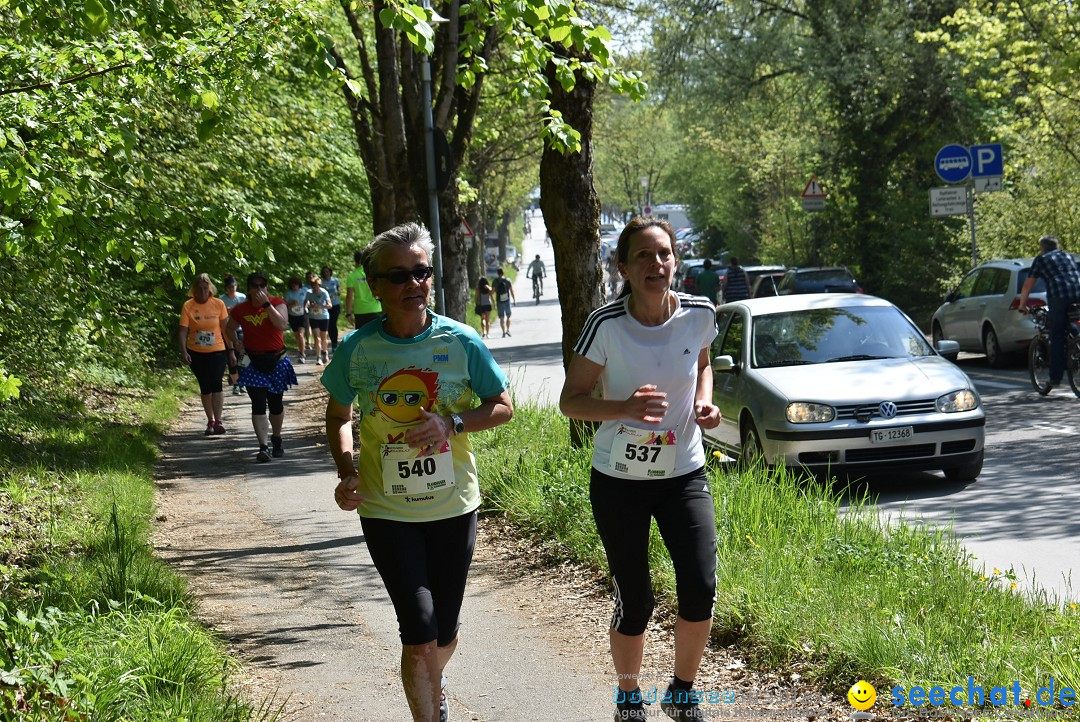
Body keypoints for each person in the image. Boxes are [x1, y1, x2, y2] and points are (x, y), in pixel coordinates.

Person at [323, 222, 513, 722]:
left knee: (444, 632)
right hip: (386, 511)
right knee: (420, 629)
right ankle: (429, 711)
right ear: (377, 286)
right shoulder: (357, 350)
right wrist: (347, 469)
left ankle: (433, 677)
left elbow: (502, 406)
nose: (413, 284)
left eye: (421, 272)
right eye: (400, 275)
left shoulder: (461, 340)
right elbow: (339, 416)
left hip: (454, 504)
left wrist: (451, 422)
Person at [559, 216, 721, 722]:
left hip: (684, 473)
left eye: (664, 254)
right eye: (644, 256)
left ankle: (681, 691)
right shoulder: (606, 325)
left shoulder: (699, 314)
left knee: (699, 586)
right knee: (637, 600)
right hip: (619, 480)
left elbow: (702, 364)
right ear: (624, 268)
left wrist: (703, 403)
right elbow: (571, 402)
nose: (657, 264)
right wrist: (625, 409)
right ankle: (629, 698)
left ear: (676, 260)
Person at [227, 272, 297, 462]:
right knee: (257, 404)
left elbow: (282, 324)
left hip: (277, 360)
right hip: (253, 361)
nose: (259, 289)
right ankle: (263, 446)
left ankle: (277, 438)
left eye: (262, 286)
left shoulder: (277, 302)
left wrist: (267, 305)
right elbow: (229, 328)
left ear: (267, 288)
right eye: (255, 286)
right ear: (248, 289)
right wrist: (236, 343)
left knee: (275, 404)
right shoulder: (241, 309)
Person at [1018, 234, 1080, 392]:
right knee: (1072, 325)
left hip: (1059, 296)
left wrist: (1023, 304)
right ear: (1057, 246)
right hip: (1078, 294)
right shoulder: (1068, 256)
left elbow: (1027, 285)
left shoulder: (1042, 259)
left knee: (1057, 334)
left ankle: (1055, 378)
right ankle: (1076, 342)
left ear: (1042, 248)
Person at [178, 273, 233, 436]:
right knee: (205, 386)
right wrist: (183, 351)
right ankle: (210, 420)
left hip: (217, 350)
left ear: (210, 289)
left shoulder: (218, 304)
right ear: (194, 290)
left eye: (205, 288)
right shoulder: (188, 305)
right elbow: (183, 331)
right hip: (196, 352)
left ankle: (219, 421)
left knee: (217, 383)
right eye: (199, 289)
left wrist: (231, 351)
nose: (202, 291)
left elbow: (225, 328)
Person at [219, 274, 248, 395]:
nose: (232, 289)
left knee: (244, 355)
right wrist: (227, 311)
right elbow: (219, 315)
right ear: (226, 289)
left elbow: (247, 311)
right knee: (231, 357)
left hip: (241, 329)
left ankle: (243, 382)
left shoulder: (242, 297)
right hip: (227, 330)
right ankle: (236, 384)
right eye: (229, 287)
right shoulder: (221, 299)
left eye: (234, 286)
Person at [345, 248, 383, 328]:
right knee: (377, 337)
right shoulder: (374, 273)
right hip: (376, 309)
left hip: (360, 311)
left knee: (362, 338)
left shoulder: (352, 276)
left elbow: (349, 297)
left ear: (355, 260)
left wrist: (348, 313)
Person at [307, 275, 332, 365]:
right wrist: (309, 306)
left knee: (323, 337)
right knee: (317, 338)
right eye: (313, 285)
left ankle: (325, 352)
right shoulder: (309, 293)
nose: (315, 287)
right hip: (313, 317)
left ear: (319, 285)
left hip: (324, 317)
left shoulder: (324, 292)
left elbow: (330, 305)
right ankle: (318, 358)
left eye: (317, 285)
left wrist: (320, 306)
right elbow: (306, 303)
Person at [284, 276, 308, 363]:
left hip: (302, 315)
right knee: (297, 335)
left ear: (299, 285)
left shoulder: (304, 291)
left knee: (301, 334)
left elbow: (307, 299)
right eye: (293, 285)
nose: (295, 287)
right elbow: (285, 304)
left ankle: (302, 353)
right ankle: (300, 349)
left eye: (296, 285)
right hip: (292, 315)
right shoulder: (288, 293)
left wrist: (305, 306)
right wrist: (291, 304)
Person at [321, 265, 342, 355]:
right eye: (324, 272)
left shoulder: (335, 280)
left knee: (333, 323)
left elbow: (339, 290)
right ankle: (331, 343)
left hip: (335, 305)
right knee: (329, 325)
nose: (326, 273)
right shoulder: (321, 282)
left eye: (327, 271)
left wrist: (337, 292)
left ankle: (334, 344)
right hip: (325, 306)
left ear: (330, 272)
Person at [492, 267, 515, 337]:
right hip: (507, 300)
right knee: (508, 316)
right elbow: (511, 290)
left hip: (499, 301)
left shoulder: (495, 281)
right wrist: (514, 299)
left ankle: (503, 332)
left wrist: (494, 302)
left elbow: (492, 292)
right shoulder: (507, 280)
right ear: (503, 273)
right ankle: (508, 330)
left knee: (501, 317)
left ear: (497, 273)